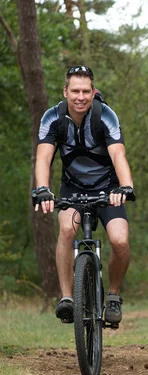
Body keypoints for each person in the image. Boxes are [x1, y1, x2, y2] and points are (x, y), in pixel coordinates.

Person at [33, 65, 135, 326]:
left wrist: (125, 187)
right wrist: (43, 189)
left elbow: (118, 155)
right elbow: (44, 158)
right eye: (75, 91)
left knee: (120, 241)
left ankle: (112, 295)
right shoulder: (52, 118)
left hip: (108, 188)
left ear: (93, 92)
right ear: (65, 91)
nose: (80, 96)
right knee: (67, 230)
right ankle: (67, 297)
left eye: (86, 91)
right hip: (73, 188)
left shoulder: (106, 116)